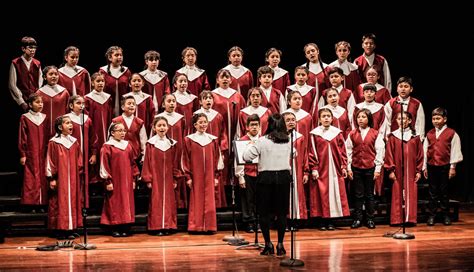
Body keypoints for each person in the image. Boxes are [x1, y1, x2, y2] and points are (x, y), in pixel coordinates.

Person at [243, 113, 291, 256]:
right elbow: (294, 154)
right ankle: (281, 244)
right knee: (282, 213)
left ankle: (268, 244)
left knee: (264, 213)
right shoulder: (288, 140)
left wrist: (252, 146)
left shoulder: (262, 141)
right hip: (283, 177)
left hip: (266, 178)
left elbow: (246, 157)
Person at [308, 108, 350, 230]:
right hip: (321, 169)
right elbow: (312, 151)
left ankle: (331, 221)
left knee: (334, 193)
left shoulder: (337, 133)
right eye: (323, 116)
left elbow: (343, 151)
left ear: (332, 119)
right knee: (321, 193)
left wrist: (343, 166)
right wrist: (314, 167)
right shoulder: (314, 134)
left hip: (335, 168)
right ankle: (322, 221)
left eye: (328, 116)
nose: (326, 118)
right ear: (319, 119)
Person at [423, 107, 463, 226]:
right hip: (432, 165)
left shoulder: (451, 133)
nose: (435, 121)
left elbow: (455, 150)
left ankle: (445, 214)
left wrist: (452, 167)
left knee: (444, 192)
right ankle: (432, 215)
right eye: (433, 118)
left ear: (444, 119)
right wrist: (424, 166)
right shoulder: (429, 133)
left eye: (438, 118)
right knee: (432, 192)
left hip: (444, 166)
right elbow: (425, 150)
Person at [346, 109, 385, 229]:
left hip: (370, 168)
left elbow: (379, 151)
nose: (360, 119)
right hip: (356, 167)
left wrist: (378, 169)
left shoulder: (375, 133)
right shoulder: (352, 134)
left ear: (369, 119)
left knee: (369, 195)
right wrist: (349, 168)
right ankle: (357, 219)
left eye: (363, 117)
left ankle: (370, 219)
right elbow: (348, 151)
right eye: (358, 117)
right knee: (358, 195)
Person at [141, 116, 180, 235]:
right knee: (156, 201)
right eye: (159, 126)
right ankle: (157, 226)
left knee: (169, 202)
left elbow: (175, 162)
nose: (162, 128)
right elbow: (147, 161)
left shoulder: (172, 144)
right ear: (154, 128)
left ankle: (168, 226)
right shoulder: (151, 144)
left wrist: (175, 177)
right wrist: (148, 179)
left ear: (168, 128)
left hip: (168, 178)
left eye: (164, 125)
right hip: (156, 178)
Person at [46, 115, 83, 239]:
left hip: (72, 178)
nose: (71, 125)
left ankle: (71, 228)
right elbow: (50, 161)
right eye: (67, 123)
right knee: (59, 202)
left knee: (72, 201)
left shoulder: (74, 142)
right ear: (60, 127)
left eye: (71, 123)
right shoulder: (54, 142)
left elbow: (79, 159)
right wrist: (52, 178)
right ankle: (60, 230)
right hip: (60, 179)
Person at [100, 122, 139, 237]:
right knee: (115, 203)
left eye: (124, 131)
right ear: (112, 133)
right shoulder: (107, 146)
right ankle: (115, 227)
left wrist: (133, 179)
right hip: (115, 181)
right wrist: (108, 181)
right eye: (120, 131)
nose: (123, 133)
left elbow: (133, 163)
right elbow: (104, 165)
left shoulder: (128, 145)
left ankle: (126, 227)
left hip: (127, 180)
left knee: (127, 203)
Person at [183, 113, 220, 233]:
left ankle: (209, 226)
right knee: (196, 200)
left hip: (209, 175)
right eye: (201, 122)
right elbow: (185, 159)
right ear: (195, 125)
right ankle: (196, 226)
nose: (203, 124)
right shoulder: (189, 140)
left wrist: (216, 176)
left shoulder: (212, 140)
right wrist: (188, 177)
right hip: (196, 176)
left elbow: (217, 159)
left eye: (205, 122)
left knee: (209, 199)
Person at [384, 112, 424, 226]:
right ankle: (397, 219)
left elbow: (419, 155)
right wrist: (390, 170)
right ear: (396, 121)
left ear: (410, 121)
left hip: (411, 170)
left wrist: (418, 171)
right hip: (397, 169)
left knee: (411, 192)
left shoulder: (415, 137)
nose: (402, 121)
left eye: (404, 119)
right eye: (399, 119)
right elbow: (389, 154)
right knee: (397, 192)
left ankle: (409, 218)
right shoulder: (393, 136)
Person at [194, 90, 228, 208]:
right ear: (200, 101)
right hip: (199, 150)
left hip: (214, 150)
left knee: (215, 175)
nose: (208, 100)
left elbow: (223, 133)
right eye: (205, 98)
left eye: (210, 98)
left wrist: (222, 149)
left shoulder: (217, 116)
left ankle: (217, 204)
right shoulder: (196, 115)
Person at [65, 95, 98, 207]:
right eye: (78, 103)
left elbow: (93, 138)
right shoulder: (66, 119)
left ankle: (83, 205)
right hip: (70, 155)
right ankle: (73, 205)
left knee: (84, 179)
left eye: (83, 103)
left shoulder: (87, 119)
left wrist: (93, 154)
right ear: (71, 105)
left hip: (85, 155)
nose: (81, 105)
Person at [156, 93, 187, 209]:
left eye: (174, 101)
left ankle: (179, 204)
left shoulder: (180, 118)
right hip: (163, 152)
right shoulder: (158, 118)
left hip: (178, 151)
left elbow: (184, 135)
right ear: (163, 104)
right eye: (169, 101)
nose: (172, 103)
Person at [18, 93, 49, 209]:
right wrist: (23, 154)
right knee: (31, 177)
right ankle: (31, 203)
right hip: (31, 152)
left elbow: (47, 135)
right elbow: (22, 137)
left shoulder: (45, 118)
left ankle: (42, 202)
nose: (40, 104)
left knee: (42, 176)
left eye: (41, 102)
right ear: (30, 104)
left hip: (42, 152)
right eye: (37, 102)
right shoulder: (25, 117)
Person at [84, 72, 113, 186]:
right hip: (94, 130)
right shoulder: (88, 98)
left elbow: (110, 116)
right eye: (98, 81)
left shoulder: (108, 98)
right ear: (92, 83)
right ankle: (94, 182)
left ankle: (105, 180)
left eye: (102, 81)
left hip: (105, 130)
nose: (101, 83)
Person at [235, 114, 260, 233]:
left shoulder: (263, 140)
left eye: (256, 125)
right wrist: (240, 176)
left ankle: (258, 221)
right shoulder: (242, 141)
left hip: (260, 173)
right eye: (252, 125)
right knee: (247, 199)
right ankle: (249, 222)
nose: (254, 127)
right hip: (247, 173)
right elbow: (238, 161)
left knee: (259, 199)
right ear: (247, 127)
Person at [282, 112, 309, 223]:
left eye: (293, 120)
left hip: (297, 171)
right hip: (283, 169)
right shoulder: (279, 138)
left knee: (297, 193)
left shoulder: (300, 137)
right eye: (288, 120)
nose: (291, 122)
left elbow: (305, 155)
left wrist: (306, 172)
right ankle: (285, 218)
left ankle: (296, 219)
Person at [9, 36, 43, 112]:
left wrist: (36, 98)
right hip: (21, 101)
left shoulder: (37, 63)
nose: (33, 50)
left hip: (34, 101)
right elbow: (12, 85)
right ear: (23, 49)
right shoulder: (15, 63)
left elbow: (40, 83)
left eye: (35, 48)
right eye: (30, 48)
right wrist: (21, 102)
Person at [36, 66, 70, 137]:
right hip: (43, 128)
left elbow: (68, 111)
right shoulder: (39, 93)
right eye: (51, 74)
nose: (54, 76)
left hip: (60, 129)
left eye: (56, 74)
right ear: (45, 77)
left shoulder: (64, 92)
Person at [111, 95, 147, 163]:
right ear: (122, 107)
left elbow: (143, 141)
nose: (132, 105)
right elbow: (110, 139)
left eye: (133, 104)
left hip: (136, 158)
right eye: (129, 103)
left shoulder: (139, 122)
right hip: (119, 156)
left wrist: (144, 156)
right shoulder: (115, 121)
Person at [99, 46, 132, 116]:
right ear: (110, 57)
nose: (119, 57)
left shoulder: (126, 72)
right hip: (108, 104)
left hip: (123, 105)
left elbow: (129, 89)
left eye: (121, 55)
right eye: (116, 55)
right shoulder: (103, 71)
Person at [122, 73, 155, 137]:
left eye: (139, 81)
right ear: (129, 84)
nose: (136, 83)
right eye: (134, 81)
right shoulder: (125, 97)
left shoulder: (147, 98)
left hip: (145, 128)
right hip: (128, 127)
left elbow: (152, 114)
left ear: (143, 83)